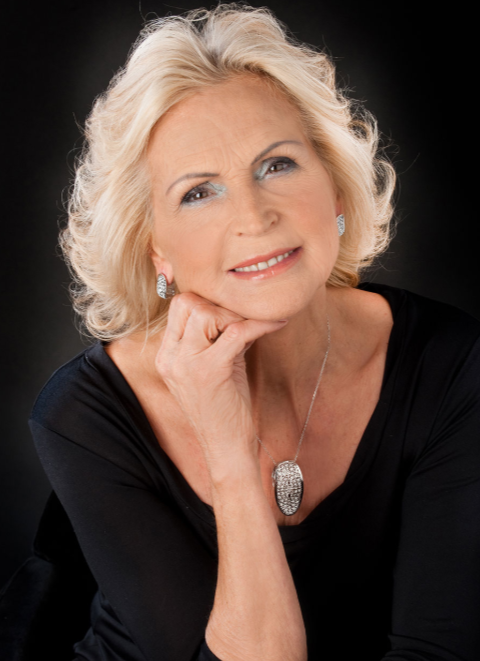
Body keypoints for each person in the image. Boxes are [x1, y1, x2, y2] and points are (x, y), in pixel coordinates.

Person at [26, 4, 480, 660]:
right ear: (157, 251)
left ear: (335, 190)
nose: (254, 215)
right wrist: (228, 450)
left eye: (277, 165)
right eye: (198, 192)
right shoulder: (83, 414)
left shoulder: (451, 364)